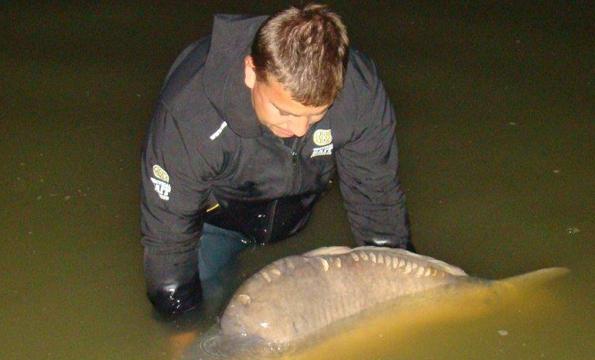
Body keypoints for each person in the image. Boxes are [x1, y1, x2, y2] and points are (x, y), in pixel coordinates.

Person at [141, 4, 414, 319]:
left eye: (316, 115)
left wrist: (396, 284)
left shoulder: (358, 93)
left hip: (301, 211)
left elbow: (375, 198)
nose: (298, 130)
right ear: (251, 71)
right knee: (192, 311)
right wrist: (180, 324)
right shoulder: (190, 116)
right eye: (283, 111)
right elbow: (169, 236)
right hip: (217, 223)